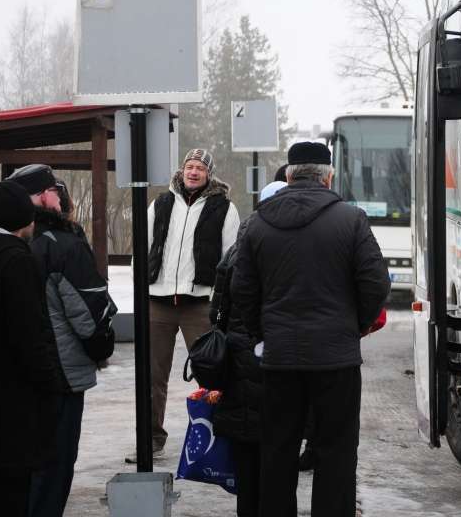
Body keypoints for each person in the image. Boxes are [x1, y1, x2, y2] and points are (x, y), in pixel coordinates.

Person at [233, 141, 390, 517]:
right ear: (329, 175)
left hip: (280, 357)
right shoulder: (351, 219)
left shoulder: (257, 222)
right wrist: (354, 327)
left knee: (277, 449)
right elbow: (376, 284)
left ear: (288, 176)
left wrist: (263, 333)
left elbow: (242, 291)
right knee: (336, 450)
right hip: (336, 358)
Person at [7, 165, 118, 517]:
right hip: (60, 373)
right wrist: (102, 348)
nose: (62, 195)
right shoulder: (62, 244)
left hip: (14, 371)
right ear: (44, 196)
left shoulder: (0, 241)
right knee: (54, 463)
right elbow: (90, 314)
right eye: (56, 189)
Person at [127, 148, 241, 462]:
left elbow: (232, 257)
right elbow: (143, 245)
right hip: (158, 301)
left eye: (200, 169)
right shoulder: (161, 204)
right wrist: (140, 287)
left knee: (213, 372)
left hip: (199, 303)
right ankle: (150, 439)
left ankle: (220, 437)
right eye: (189, 166)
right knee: (152, 375)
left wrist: (223, 301)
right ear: (182, 170)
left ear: (209, 174)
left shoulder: (224, 209)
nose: (193, 172)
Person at [0, 182, 63, 517]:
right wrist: (51, 387)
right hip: (10, 405)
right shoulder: (18, 260)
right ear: (24, 221)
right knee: (8, 496)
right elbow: (31, 335)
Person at [210, 179, 288, 517]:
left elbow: (216, 311)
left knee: (245, 455)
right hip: (276, 358)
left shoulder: (237, 247)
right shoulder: (286, 248)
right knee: (276, 452)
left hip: (240, 361)